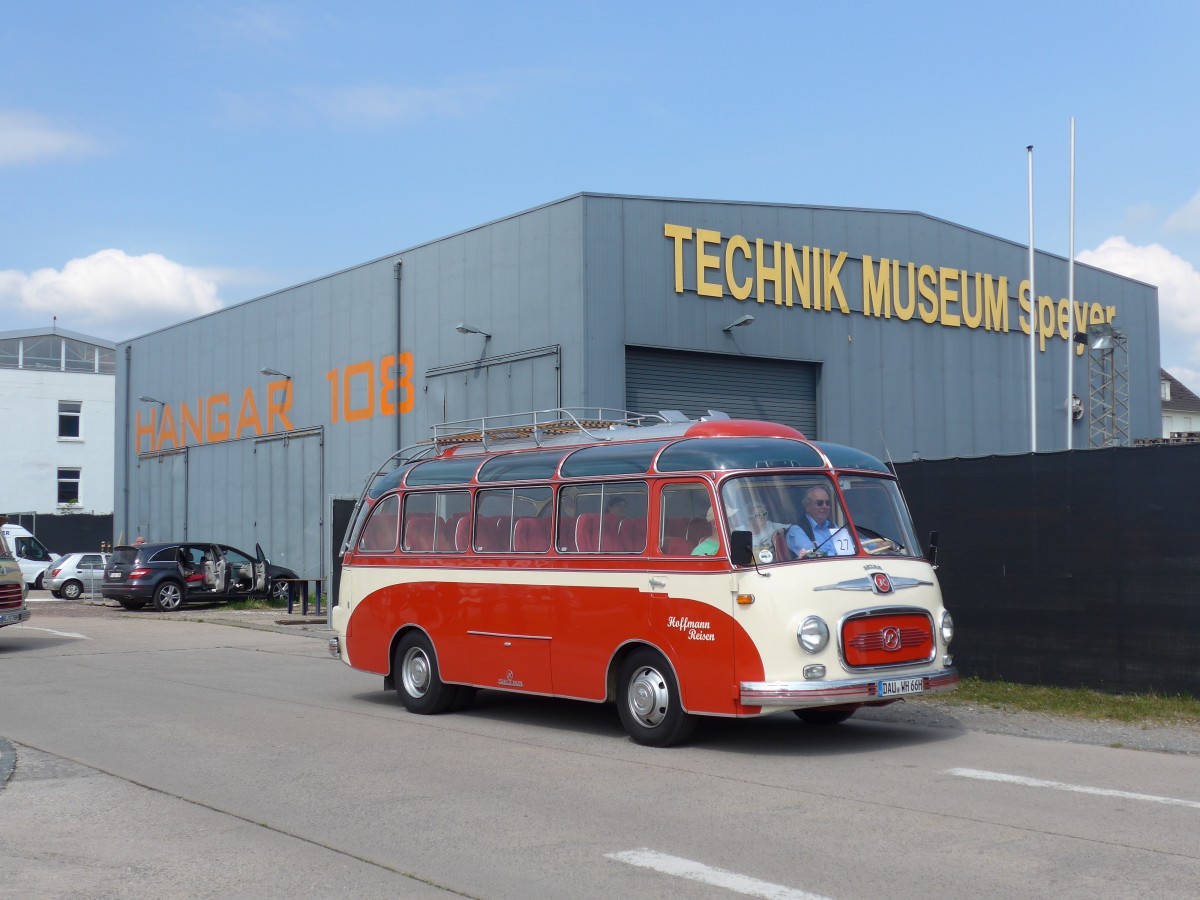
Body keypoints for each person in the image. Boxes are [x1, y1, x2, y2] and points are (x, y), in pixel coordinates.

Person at [786, 485, 855, 557]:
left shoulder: (832, 525)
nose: (825, 506)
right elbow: (811, 555)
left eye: (827, 503)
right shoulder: (796, 530)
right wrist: (835, 555)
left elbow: (849, 546)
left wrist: (866, 544)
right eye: (819, 503)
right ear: (807, 506)